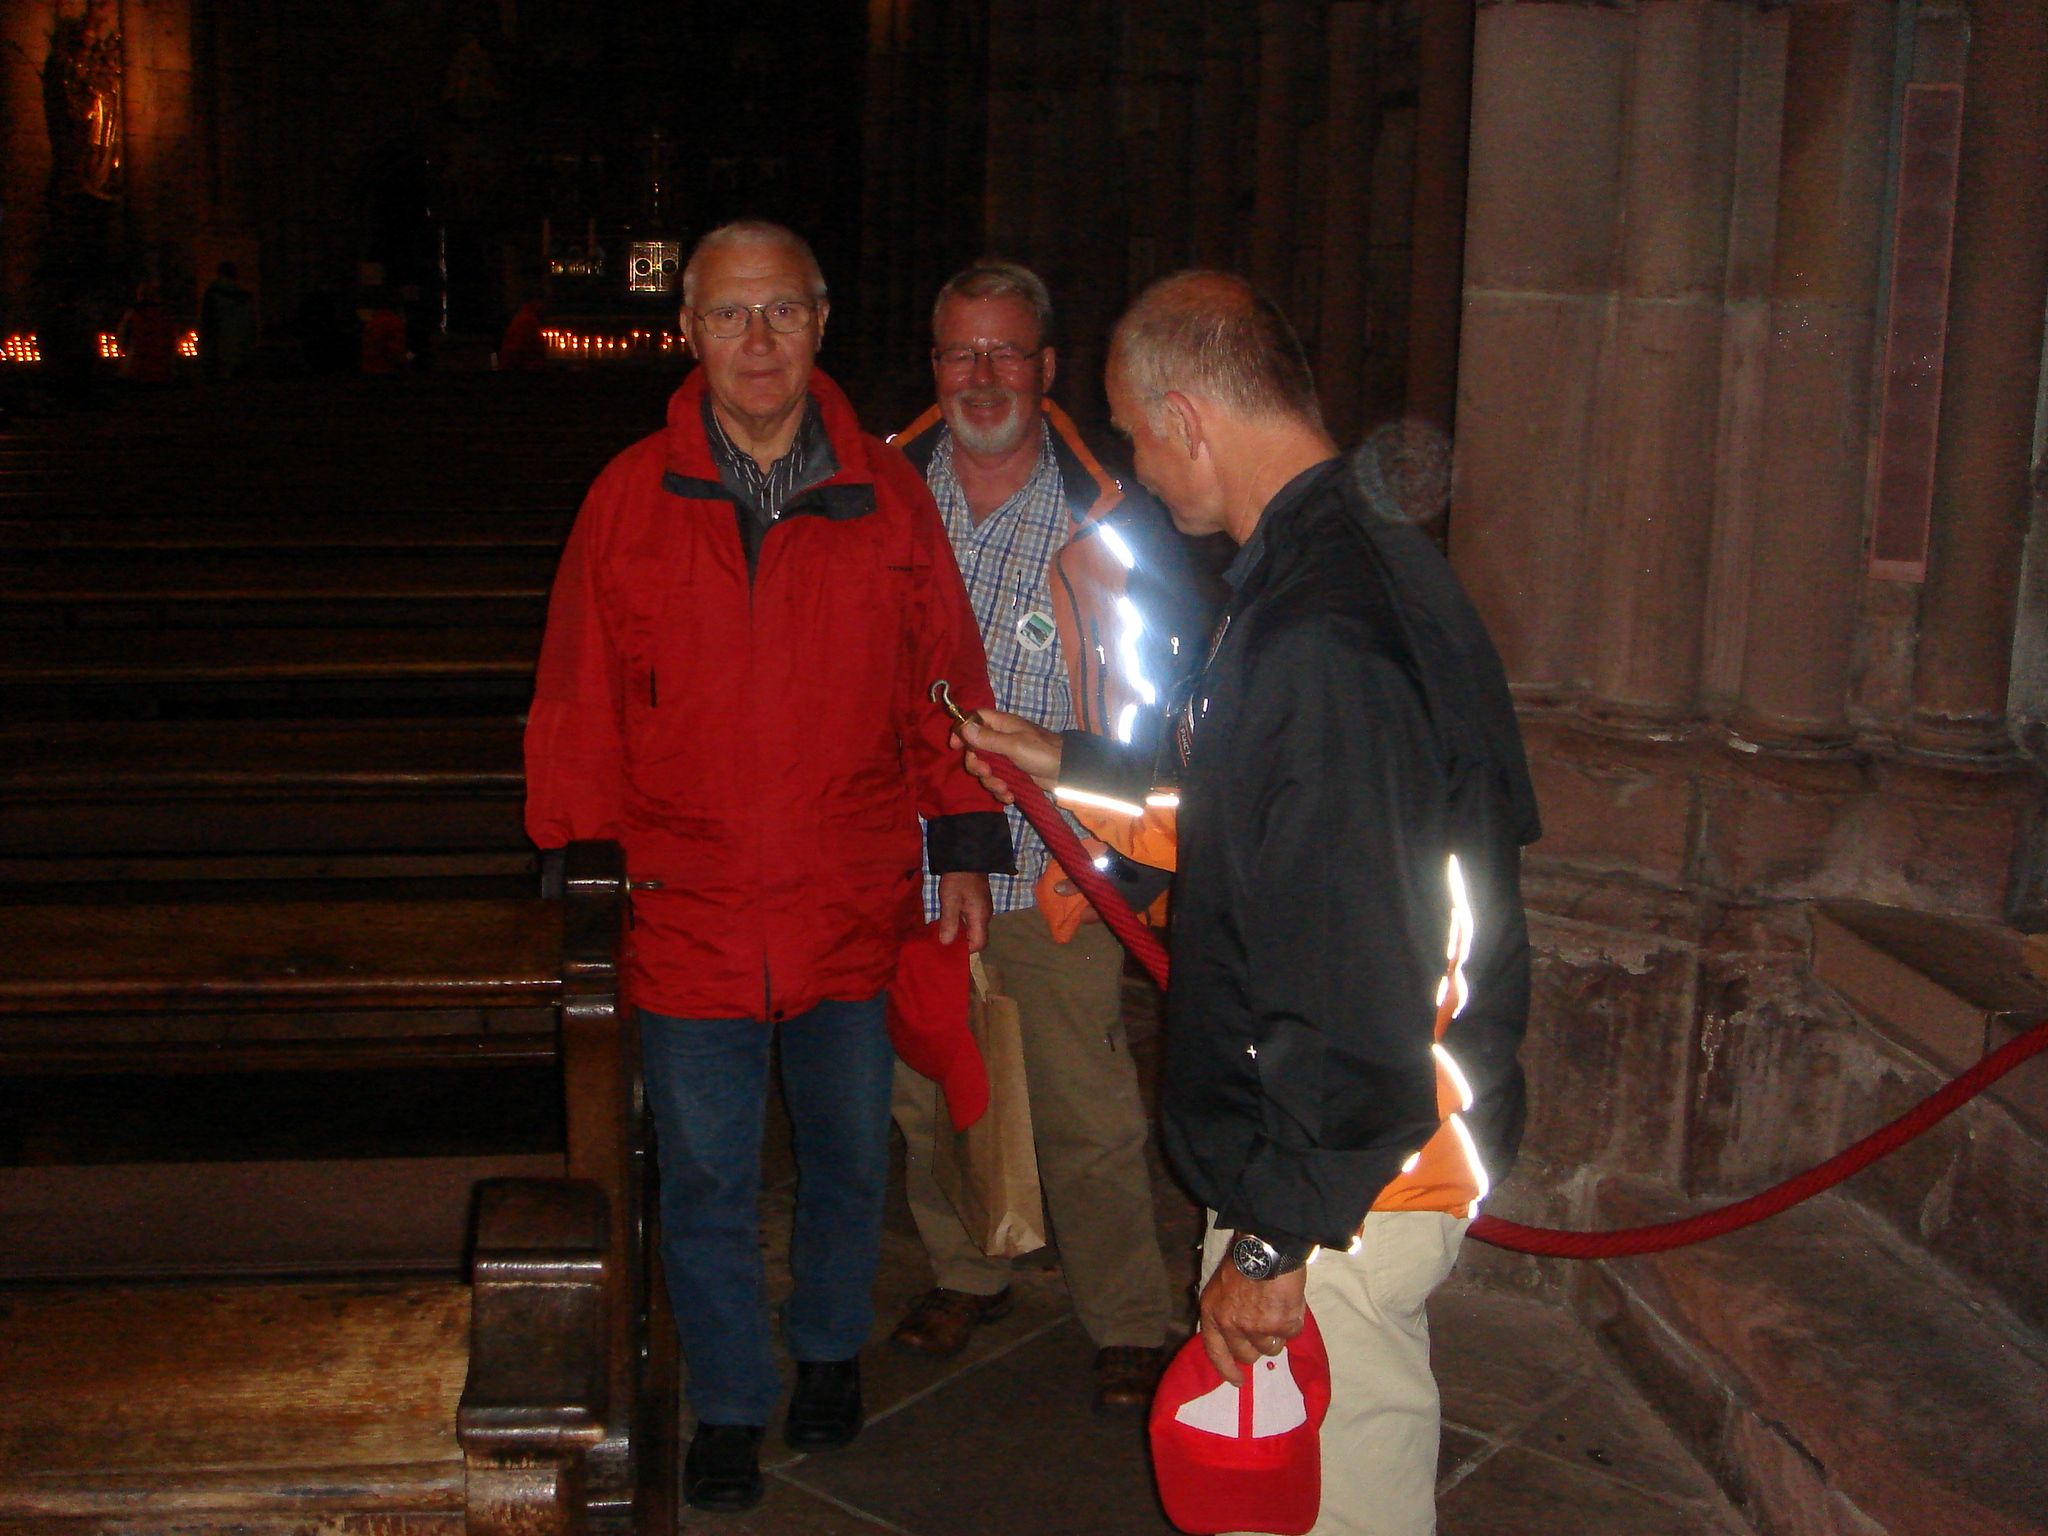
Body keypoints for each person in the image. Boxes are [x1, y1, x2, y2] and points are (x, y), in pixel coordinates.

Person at [956, 271, 1540, 1536]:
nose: (1137, 465)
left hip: (1352, 1168)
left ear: (1185, 415)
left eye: (1134, 432)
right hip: (1347, 1151)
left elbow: (1359, 957)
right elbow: (1261, 815)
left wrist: (1276, 1240)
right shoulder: (1335, 566)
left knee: (1335, 1503)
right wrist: (1066, 765)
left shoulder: (1324, 626)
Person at [524, 220, 1011, 1516]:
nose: (757, 340)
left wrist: (964, 842)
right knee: (707, 1178)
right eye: (731, 314)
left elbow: (944, 682)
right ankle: (733, 1398)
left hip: (847, 893)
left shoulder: (884, 493)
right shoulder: (629, 498)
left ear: (821, 323)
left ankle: (830, 1347)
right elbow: (578, 693)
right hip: (686, 901)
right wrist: (579, 859)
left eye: (783, 311)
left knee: (849, 1157)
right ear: (687, 330)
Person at [885, 262, 1200, 1412]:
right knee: (930, 1089)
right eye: (959, 353)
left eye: (1004, 352)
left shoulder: (1107, 518)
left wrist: (1121, 839)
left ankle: (1126, 1313)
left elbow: (1156, 705)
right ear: (933, 366)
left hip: (1053, 861)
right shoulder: (877, 497)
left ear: (1045, 367)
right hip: (910, 859)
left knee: (1084, 1106)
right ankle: (968, 1267)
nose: (981, 377)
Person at [199, 262, 258, 381]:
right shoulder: (244, 296)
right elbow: (251, 321)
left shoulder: (213, 294)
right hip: (239, 341)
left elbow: (207, 320)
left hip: (219, 340)